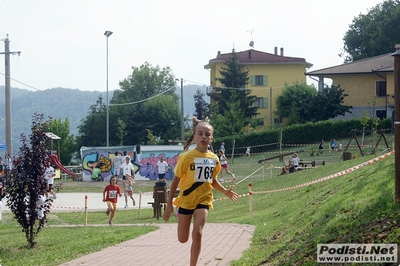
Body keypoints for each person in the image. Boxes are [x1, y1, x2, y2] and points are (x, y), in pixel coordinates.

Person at [163, 116, 239, 266]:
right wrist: (170, 203)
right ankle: (181, 215)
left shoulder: (214, 159)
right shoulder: (186, 157)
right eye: (200, 134)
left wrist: (225, 191)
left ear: (212, 138)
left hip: (203, 199)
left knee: (197, 233)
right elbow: (176, 181)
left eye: (207, 134)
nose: (204, 137)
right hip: (186, 200)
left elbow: (212, 180)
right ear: (195, 136)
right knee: (183, 239)